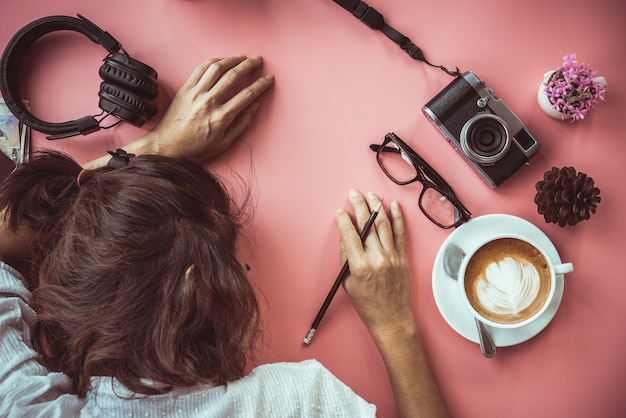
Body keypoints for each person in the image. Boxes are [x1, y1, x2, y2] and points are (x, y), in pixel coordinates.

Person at [0, 56, 449, 417]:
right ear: (195, 285)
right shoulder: (296, 402)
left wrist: (150, 157)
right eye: (237, 264)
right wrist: (395, 326)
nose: (245, 273)